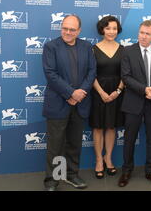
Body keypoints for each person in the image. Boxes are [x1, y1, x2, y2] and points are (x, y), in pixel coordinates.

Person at [42, 15, 96, 191]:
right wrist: (71, 93)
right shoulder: (51, 47)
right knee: (55, 144)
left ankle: (72, 175)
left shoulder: (86, 47)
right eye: (65, 28)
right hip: (59, 103)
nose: (67, 32)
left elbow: (91, 71)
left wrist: (79, 94)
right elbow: (51, 74)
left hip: (80, 103)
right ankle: (53, 180)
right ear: (61, 28)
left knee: (74, 143)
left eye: (72, 29)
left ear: (78, 31)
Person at [118, 20, 151, 188]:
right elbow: (126, 77)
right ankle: (126, 171)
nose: (143, 36)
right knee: (129, 139)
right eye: (141, 32)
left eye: (147, 34)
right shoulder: (127, 51)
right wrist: (145, 89)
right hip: (133, 102)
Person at [89, 16, 125, 179]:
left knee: (111, 127)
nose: (111, 31)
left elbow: (126, 74)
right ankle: (98, 160)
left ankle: (108, 158)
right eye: (108, 28)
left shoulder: (123, 50)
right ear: (102, 29)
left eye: (114, 28)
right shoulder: (93, 49)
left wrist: (117, 91)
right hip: (98, 92)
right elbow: (90, 74)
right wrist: (102, 93)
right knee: (98, 127)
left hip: (116, 92)